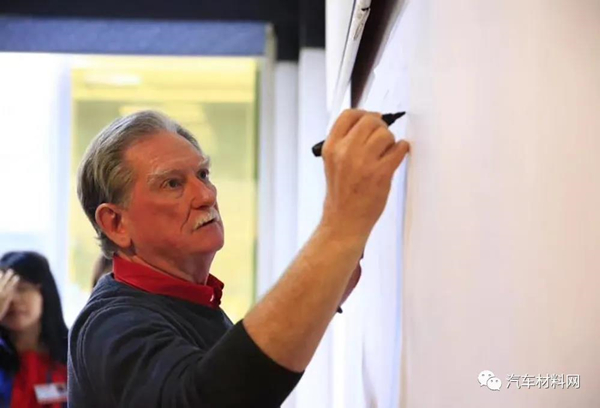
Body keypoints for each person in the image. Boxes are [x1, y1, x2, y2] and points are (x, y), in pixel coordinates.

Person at [68, 109, 409, 407]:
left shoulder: (187, 303)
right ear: (116, 223)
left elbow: (243, 382)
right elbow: (208, 399)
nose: (206, 195)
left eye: (203, 174)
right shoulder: (111, 324)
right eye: (172, 184)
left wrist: (324, 287)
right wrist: (339, 225)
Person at [0, 251, 69, 408]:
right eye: (5, 291)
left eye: (22, 288)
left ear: (44, 293)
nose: (13, 299)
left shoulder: (74, 355)